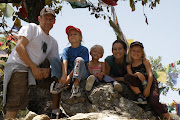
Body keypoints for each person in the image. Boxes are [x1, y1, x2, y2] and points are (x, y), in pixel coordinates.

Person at [2, 7, 61, 119]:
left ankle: (56, 113)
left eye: (51, 19)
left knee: (57, 83)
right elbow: (20, 47)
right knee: (13, 105)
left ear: (54, 21)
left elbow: (56, 63)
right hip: (18, 66)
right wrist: (34, 68)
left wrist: (50, 72)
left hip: (32, 70)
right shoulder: (32, 28)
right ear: (39, 18)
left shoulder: (53, 42)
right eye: (45, 18)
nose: (48, 21)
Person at [124, 41, 171, 119]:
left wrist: (148, 88)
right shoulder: (129, 66)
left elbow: (150, 75)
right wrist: (137, 74)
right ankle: (139, 95)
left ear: (142, 53)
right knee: (127, 77)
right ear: (130, 52)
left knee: (153, 101)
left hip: (150, 84)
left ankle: (167, 115)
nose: (136, 53)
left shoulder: (145, 61)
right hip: (139, 85)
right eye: (133, 51)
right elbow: (130, 76)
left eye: (138, 51)